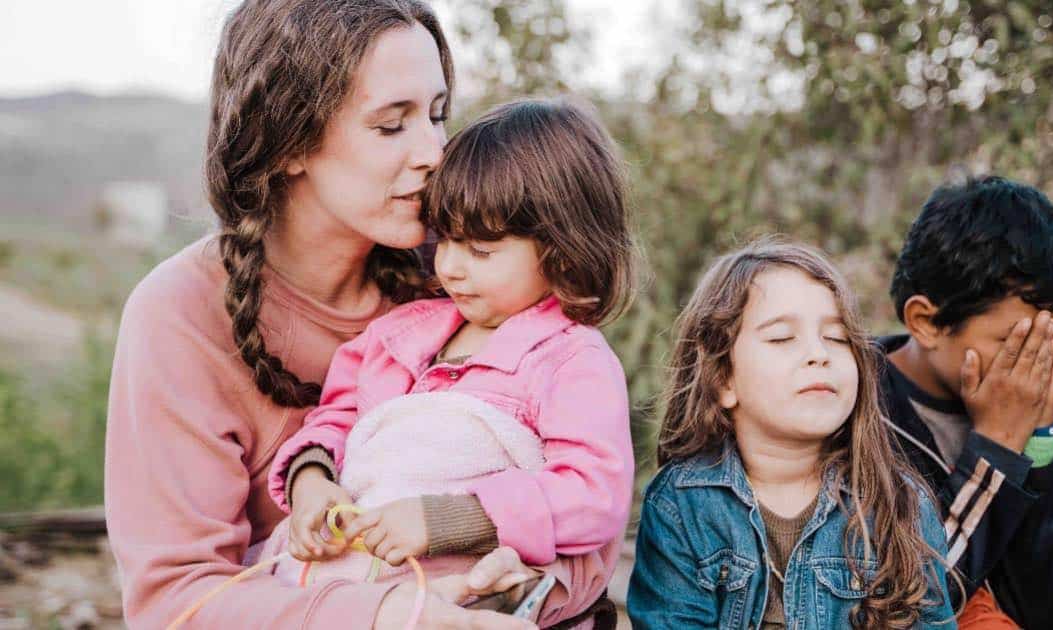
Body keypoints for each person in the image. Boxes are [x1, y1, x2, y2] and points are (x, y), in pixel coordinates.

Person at [104, 2, 616, 627]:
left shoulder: (472, 271)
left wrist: (525, 592)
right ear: (287, 142)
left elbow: (589, 509)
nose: (435, 152)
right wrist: (395, 616)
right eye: (390, 125)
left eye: (437, 114)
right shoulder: (179, 316)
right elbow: (174, 605)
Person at [263, 97, 636, 592]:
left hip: (453, 596)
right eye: (447, 240)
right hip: (347, 585)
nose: (452, 267)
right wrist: (311, 481)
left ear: (564, 254)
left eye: (482, 250)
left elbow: (593, 494)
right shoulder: (398, 336)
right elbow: (336, 420)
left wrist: (449, 520)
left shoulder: (570, 360)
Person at [627, 237, 955, 629]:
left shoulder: (900, 504)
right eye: (783, 338)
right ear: (723, 378)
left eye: (837, 338)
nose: (820, 353)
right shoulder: (682, 505)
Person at [879, 175, 1053, 628]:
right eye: (1018, 341)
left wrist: (1040, 437)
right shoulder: (856, 405)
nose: (1041, 362)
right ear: (927, 322)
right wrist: (997, 446)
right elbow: (912, 602)